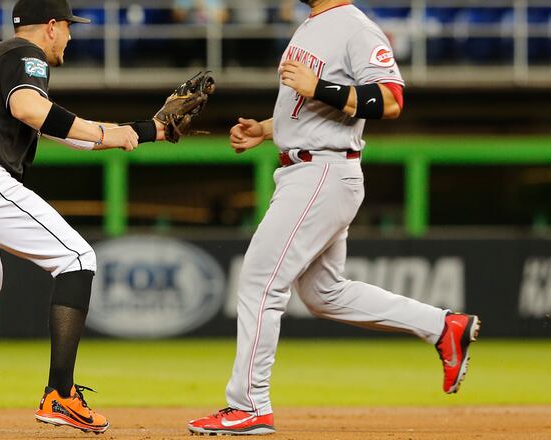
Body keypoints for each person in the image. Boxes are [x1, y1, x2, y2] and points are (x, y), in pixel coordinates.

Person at [188, 0, 481, 435]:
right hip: (303, 168)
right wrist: (266, 131)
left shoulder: (354, 27)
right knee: (324, 293)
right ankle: (442, 326)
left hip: (322, 170)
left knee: (258, 280)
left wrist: (320, 86)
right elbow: (307, 106)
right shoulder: (312, 25)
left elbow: (391, 100)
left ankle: (249, 405)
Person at [0, 0, 169, 435]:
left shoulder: (5, 60)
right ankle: (60, 395)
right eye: (67, 27)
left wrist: (146, 130)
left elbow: (59, 126)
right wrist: (110, 132)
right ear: (50, 26)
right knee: (77, 258)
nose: (69, 36)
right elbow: (32, 110)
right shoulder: (26, 55)